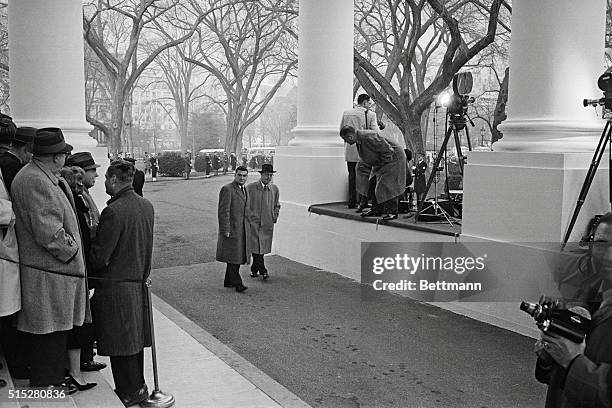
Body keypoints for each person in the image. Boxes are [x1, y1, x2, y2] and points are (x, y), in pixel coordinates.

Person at [11, 128, 88, 390]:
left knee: (55, 328)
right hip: (49, 271)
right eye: (64, 153)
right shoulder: (35, 180)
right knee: (49, 330)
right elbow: (49, 232)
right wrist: (73, 251)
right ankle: (48, 384)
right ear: (56, 157)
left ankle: (53, 380)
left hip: (52, 271)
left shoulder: (41, 176)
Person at [89, 160, 154, 407]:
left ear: (114, 180)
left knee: (120, 343)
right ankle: (138, 388)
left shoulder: (113, 211)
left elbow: (100, 256)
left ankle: (128, 391)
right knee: (134, 341)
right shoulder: (146, 206)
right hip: (137, 283)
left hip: (116, 287)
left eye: (106, 178)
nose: (104, 182)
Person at [534, 212, 612, 407]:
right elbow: (560, 378)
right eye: (602, 244)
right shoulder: (588, 295)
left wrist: (573, 362)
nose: (609, 256)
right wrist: (550, 353)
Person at [65, 151, 105, 372]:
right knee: (82, 313)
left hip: (87, 260)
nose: (95, 176)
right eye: (92, 171)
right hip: (82, 260)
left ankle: (87, 354)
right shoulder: (78, 197)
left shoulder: (84, 195)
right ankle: (83, 357)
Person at [60, 166, 97, 392]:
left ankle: (79, 365)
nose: (79, 187)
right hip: (72, 266)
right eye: (76, 184)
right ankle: (75, 371)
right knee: (76, 322)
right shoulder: (71, 198)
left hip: (78, 264)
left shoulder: (78, 198)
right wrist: (74, 253)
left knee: (80, 320)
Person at [339, 126, 406, 220]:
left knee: (388, 184)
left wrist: (382, 164)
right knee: (373, 182)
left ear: (350, 136)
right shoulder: (359, 140)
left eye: (345, 139)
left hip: (393, 157)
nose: (346, 142)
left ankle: (392, 211)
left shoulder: (367, 136)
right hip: (381, 159)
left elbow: (387, 149)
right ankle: (376, 209)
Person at [340, 93, 379, 210]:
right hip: (363, 150)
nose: (370, 106)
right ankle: (363, 201)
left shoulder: (346, 113)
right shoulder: (371, 115)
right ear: (365, 102)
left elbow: (341, 130)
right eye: (369, 103)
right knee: (363, 176)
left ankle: (351, 201)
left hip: (350, 149)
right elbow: (375, 132)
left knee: (352, 175)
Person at [216, 165, 250, 292]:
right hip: (232, 229)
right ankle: (237, 283)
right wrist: (225, 229)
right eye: (239, 175)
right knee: (234, 257)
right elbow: (223, 211)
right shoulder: (227, 189)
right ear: (235, 175)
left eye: (244, 175)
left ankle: (228, 281)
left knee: (235, 256)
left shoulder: (244, 189)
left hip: (242, 229)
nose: (242, 178)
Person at [246, 163, 280, 280]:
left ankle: (254, 269)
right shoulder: (250, 188)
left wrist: (274, 216)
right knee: (256, 247)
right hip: (254, 223)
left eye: (270, 175)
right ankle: (263, 270)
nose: (268, 177)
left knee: (262, 248)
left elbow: (277, 205)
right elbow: (244, 204)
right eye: (266, 175)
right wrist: (248, 218)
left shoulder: (274, 189)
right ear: (261, 175)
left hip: (267, 223)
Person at [0, 126, 34, 194]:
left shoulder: (4, 158)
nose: (33, 156)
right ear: (26, 149)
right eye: (33, 152)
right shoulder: (14, 167)